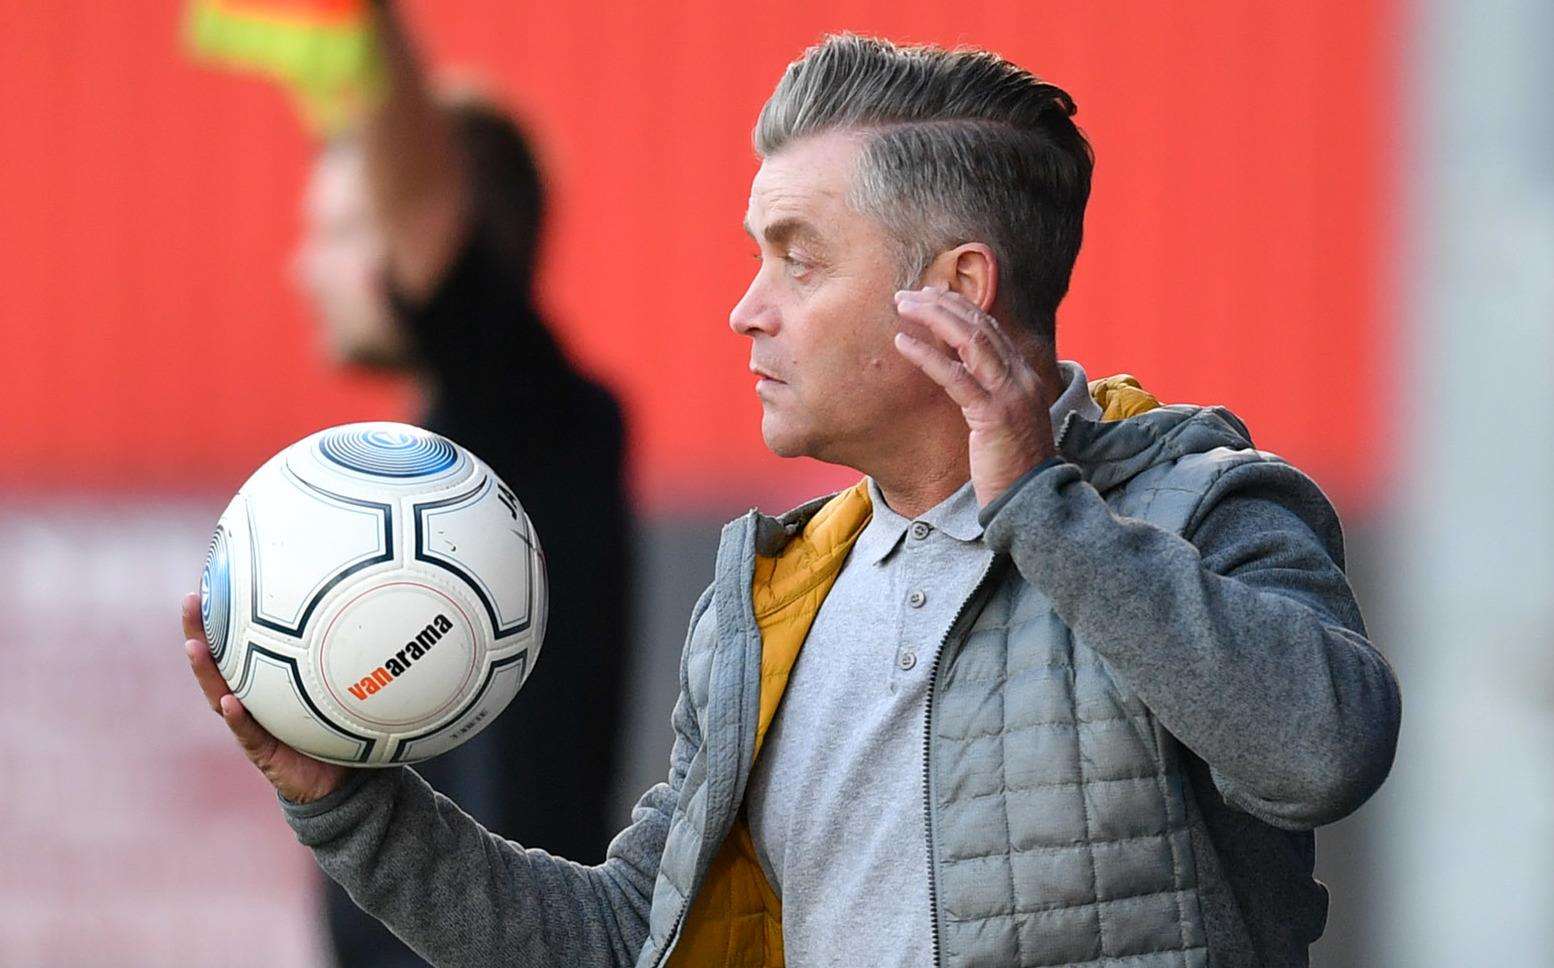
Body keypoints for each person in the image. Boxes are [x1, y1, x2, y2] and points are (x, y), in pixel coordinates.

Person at [183, 33, 1401, 967]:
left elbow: (1323, 751)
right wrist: (346, 804)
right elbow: (621, 938)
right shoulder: (772, 604)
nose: (746, 307)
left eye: (797, 254)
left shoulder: (1202, 507)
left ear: (958, 292)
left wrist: (1039, 503)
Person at [288, 2, 631, 964]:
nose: (302, 266)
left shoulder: (528, 408)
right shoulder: (462, 439)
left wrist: (368, 24)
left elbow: (433, 210)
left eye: (344, 230)